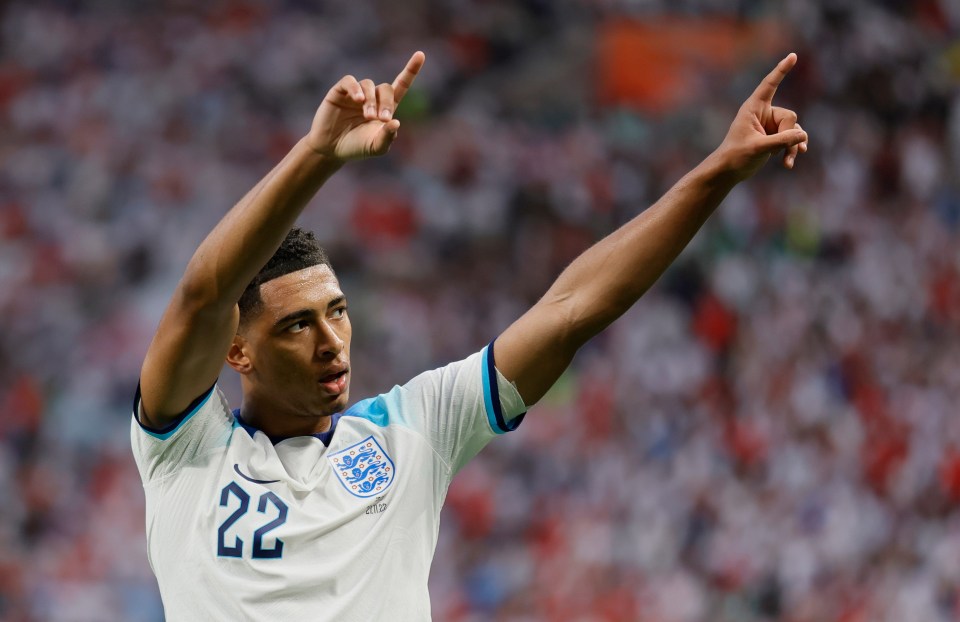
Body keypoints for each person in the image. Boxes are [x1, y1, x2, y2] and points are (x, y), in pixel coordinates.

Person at [131, 50, 808, 620]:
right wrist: (318, 155)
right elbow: (203, 294)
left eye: (337, 311)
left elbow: (574, 309)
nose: (331, 341)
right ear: (237, 350)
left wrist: (718, 170)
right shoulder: (185, 451)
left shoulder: (411, 430)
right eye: (296, 325)